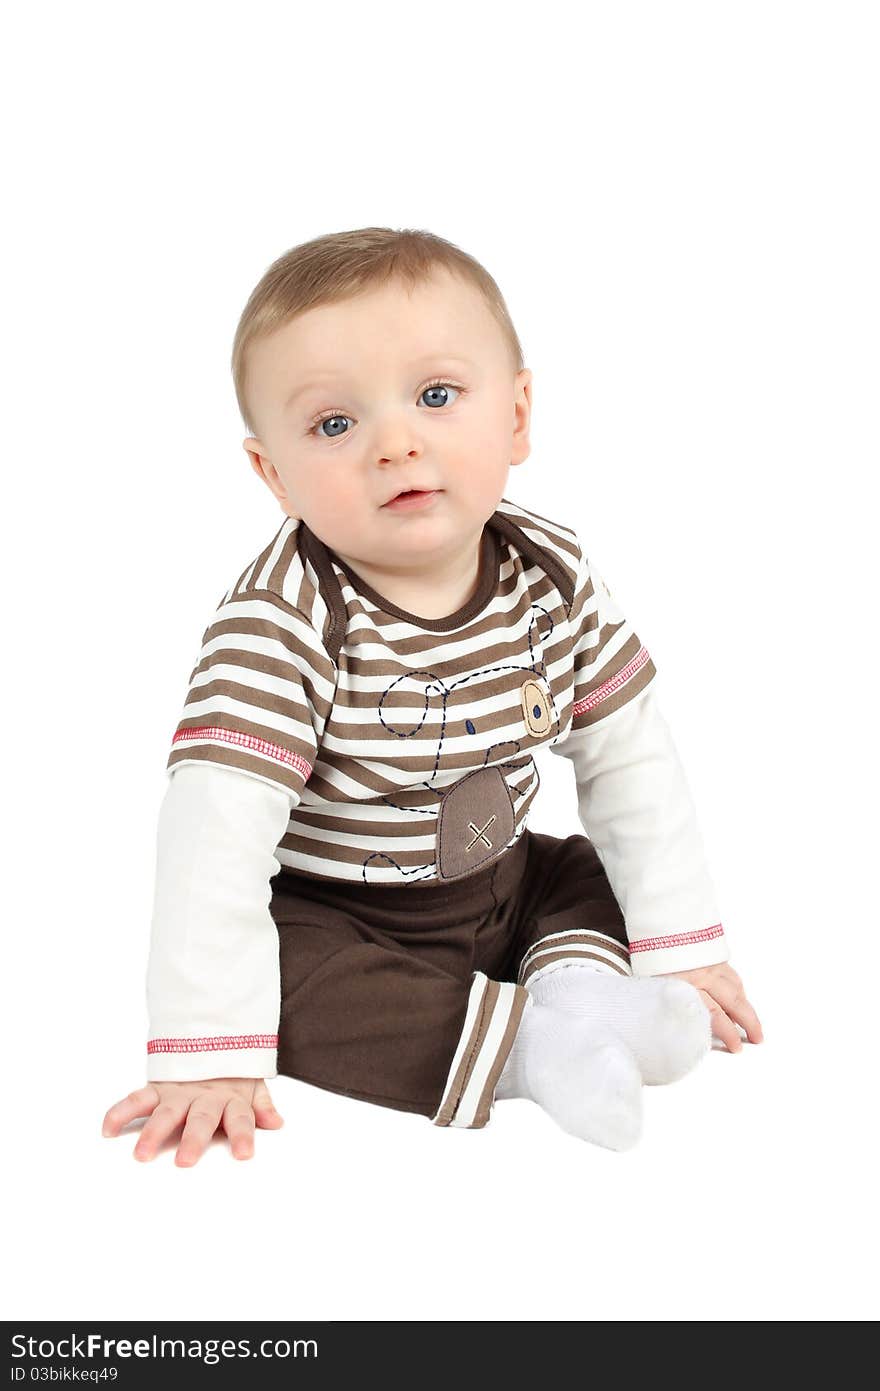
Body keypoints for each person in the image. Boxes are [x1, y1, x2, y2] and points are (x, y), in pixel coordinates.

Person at [102, 227, 763, 1166]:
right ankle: (532, 1051)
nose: (397, 444)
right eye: (336, 424)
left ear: (520, 413)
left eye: (437, 396)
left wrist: (682, 946)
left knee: (585, 872)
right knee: (288, 982)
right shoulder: (285, 619)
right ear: (273, 474)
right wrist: (210, 1048)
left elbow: (630, 755)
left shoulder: (551, 571)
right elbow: (215, 834)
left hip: (500, 881)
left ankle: (586, 995)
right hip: (343, 915)